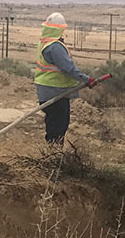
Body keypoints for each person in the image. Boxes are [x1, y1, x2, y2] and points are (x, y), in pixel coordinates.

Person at [34, 12, 93, 144]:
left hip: (45, 90)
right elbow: (68, 68)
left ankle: (52, 153)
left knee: (53, 124)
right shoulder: (55, 47)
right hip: (55, 92)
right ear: (59, 29)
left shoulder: (44, 42)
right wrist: (86, 79)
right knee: (58, 126)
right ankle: (54, 155)